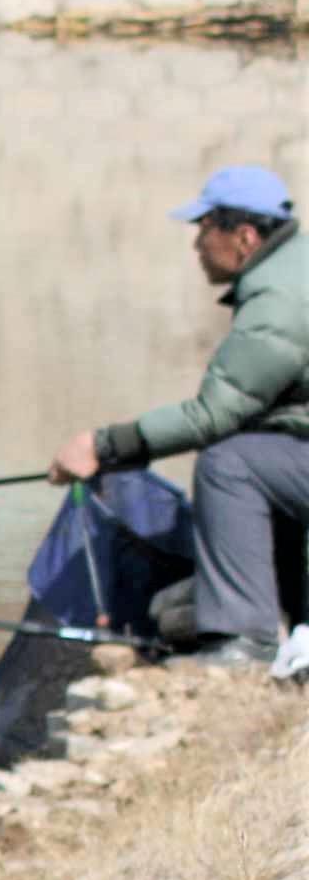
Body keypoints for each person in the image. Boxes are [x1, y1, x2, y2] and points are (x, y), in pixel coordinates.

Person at [51, 166, 307, 670]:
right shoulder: (293, 270)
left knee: (230, 462)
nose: (197, 245)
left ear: (244, 237)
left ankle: (243, 644)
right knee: (255, 448)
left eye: (204, 228)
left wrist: (102, 446)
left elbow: (215, 413)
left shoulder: (278, 300)